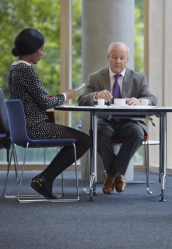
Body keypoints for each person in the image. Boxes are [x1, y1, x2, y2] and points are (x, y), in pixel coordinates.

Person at [8, 28, 92, 199]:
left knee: (78, 140)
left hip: (24, 128)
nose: (42, 53)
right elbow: (45, 103)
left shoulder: (14, 69)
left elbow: (33, 99)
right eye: (41, 49)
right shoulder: (27, 70)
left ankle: (45, 178)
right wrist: (65, 96)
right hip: (35, 128)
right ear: (31, 48)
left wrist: (59, 97)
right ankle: (45, 178)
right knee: (84, 140)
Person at [78, 42, 157, 195]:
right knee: (98, 132)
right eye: (114, 57)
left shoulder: (139, 78)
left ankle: (111, 175)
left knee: (136, 133)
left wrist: (140, 101)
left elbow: (152, 99)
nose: (118, 61)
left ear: (127, 59)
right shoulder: (95, 78)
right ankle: (118, 174)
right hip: (106, 122)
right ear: (108, 57)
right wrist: (96, 96)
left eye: (122, 58)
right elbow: (82, 99)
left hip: (130, 122)